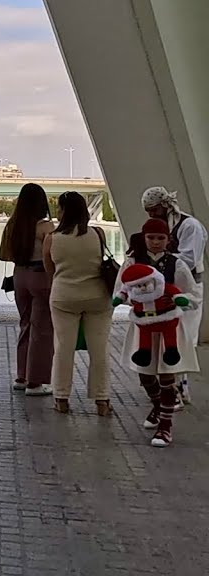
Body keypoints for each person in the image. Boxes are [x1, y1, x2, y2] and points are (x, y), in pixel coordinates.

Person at [114, 219, 200, 447]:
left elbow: (192, 294)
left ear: (168, 240)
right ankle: (158, 406)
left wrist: (178, 299)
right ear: (143, 238)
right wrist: (134, 299)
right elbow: (119, 290)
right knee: (145, 374)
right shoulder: (132, 262)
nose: (155, 242)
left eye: (160, 238)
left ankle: (165, 426)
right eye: (151, 237)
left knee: (166, 374)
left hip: (169, 325)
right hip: (143, 326)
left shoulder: (176, 264)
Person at [44, 191, 114, 416]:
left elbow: (50, 270)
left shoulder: (52, 238)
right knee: (99, 349)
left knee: (63, 348)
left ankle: (61, 398)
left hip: (64, 297)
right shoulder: (98, 233)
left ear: (63, 211)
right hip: (97, 296)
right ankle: (102, 400)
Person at [0, 184, 56, 396]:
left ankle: (21, 376)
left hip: (19, 276)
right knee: (42, 329)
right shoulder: (46, 227)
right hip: (40, 275)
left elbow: (3, 255)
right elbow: (54, 254)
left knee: (25, 325)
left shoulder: (13, 225)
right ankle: (36, 382)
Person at [142, 187, 206, 346]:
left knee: (185, 337)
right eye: (148, 211)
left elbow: (189, 259)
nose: (151, 215)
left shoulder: (190, 225)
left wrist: (158, 258)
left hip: (187, 287)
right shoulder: (161, 227)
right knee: (164, 340)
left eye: (154, 210)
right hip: (164, 287)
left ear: (165, 205)